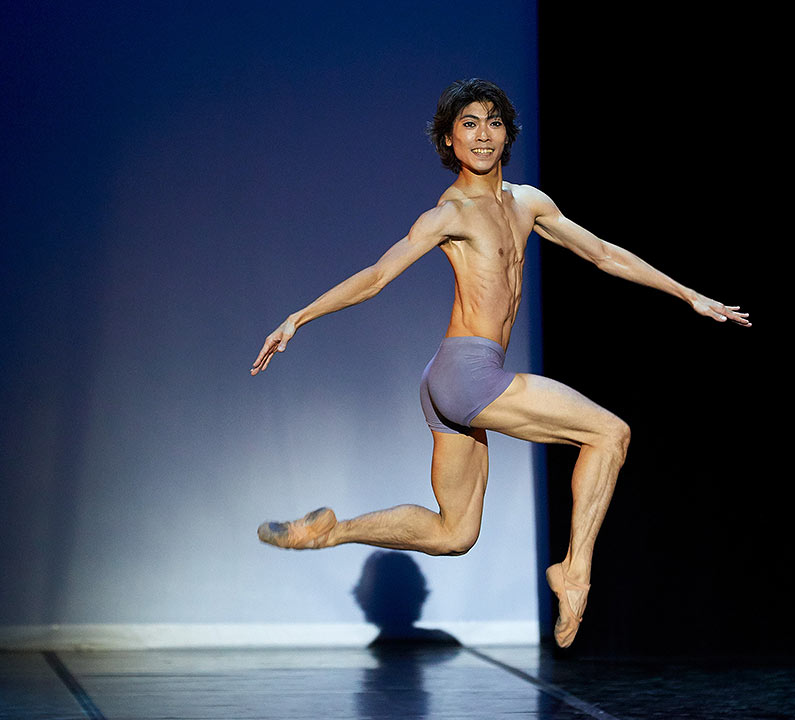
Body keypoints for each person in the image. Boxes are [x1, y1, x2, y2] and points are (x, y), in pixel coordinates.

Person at [251, 78, 750, 648]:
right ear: (449, 141)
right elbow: (379, 274)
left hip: (448, 380)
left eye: (493, 122)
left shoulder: (529, 203)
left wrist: (689, 294)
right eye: (469, 124)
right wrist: (300, 315)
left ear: (507, 134)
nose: (483, 134)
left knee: (454, 533)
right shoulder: (449, 213)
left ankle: (331, 531)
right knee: (610, 434)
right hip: (467, 374)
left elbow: (603, 253)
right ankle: (574, 571)